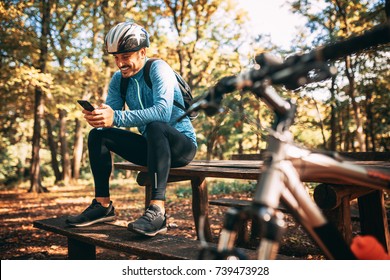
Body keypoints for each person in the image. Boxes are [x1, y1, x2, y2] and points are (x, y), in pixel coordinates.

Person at [66, 22, 197, 237]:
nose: (120, 63)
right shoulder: (119, 80)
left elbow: (162, 113)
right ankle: (102, 205)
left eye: (125, 56)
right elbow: (112, 116)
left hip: (181, 146)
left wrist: (115, 117)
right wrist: (100, 118)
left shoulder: (158, 69)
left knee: (156, 126)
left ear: (142, 52)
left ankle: (158, 210)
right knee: (98, 135)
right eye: (116, 57)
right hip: (151, 148)